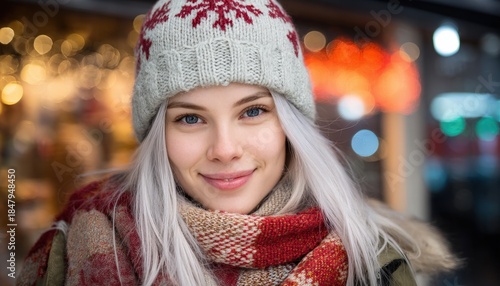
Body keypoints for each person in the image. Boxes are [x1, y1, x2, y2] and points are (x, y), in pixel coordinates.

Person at [18, 0, 459, 285]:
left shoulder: (375, 262)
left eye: (253, 111)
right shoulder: (75, 248)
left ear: (290, 124)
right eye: (190, 118)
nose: (225, 149)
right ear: (158, 135)